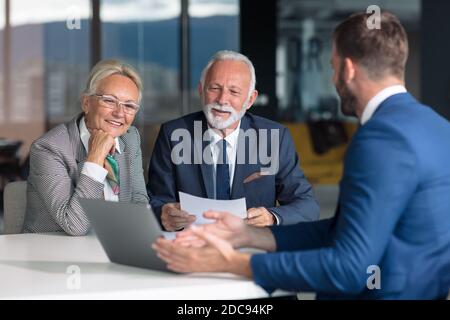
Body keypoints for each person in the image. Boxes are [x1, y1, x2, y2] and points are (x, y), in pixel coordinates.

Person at [153, 11, 450, 299]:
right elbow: (344, 230)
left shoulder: (380, 137)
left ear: (347, 69)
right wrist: (249, 236)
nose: (333, 78)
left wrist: (231, 263)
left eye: (332, 67)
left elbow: (348, 268)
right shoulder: (438, 128)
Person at [147, 50, 319, 231]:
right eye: (214, 88)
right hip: (193, 245)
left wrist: (271, 217)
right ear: (201, 90)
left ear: (250, 99)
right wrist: (163, 214)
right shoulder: (173, 134)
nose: (222, 100)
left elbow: (307, 206)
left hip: (252, 248)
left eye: (234, 91)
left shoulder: (273, 137)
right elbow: (155, 199)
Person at [24, 59, 149, 236]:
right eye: (109, 101)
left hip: (112, 249)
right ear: (86, 103)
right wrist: (95, 159)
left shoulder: (130, 138)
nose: (120, 113)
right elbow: (75, 225)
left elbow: (139, 201)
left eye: (129, 105)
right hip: (53, 254)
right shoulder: (49, 149)